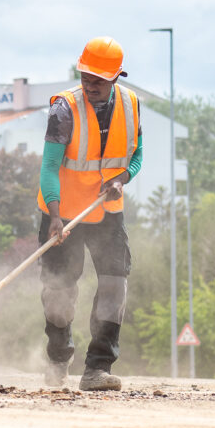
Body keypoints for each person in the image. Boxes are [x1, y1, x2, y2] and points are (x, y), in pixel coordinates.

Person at [36, 36, 143, 391]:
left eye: (98, 79)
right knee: (59, 292)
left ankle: (97, 368)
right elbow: (50, 166)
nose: (90, 85)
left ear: (116, 77)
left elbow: (137, 156)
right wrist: (54, 215)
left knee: (115, 285)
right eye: (85, 76)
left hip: (106, 211)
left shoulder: (131, 106)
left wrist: (122, 178)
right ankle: (57, 360)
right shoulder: (63, 109)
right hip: (62, 211)